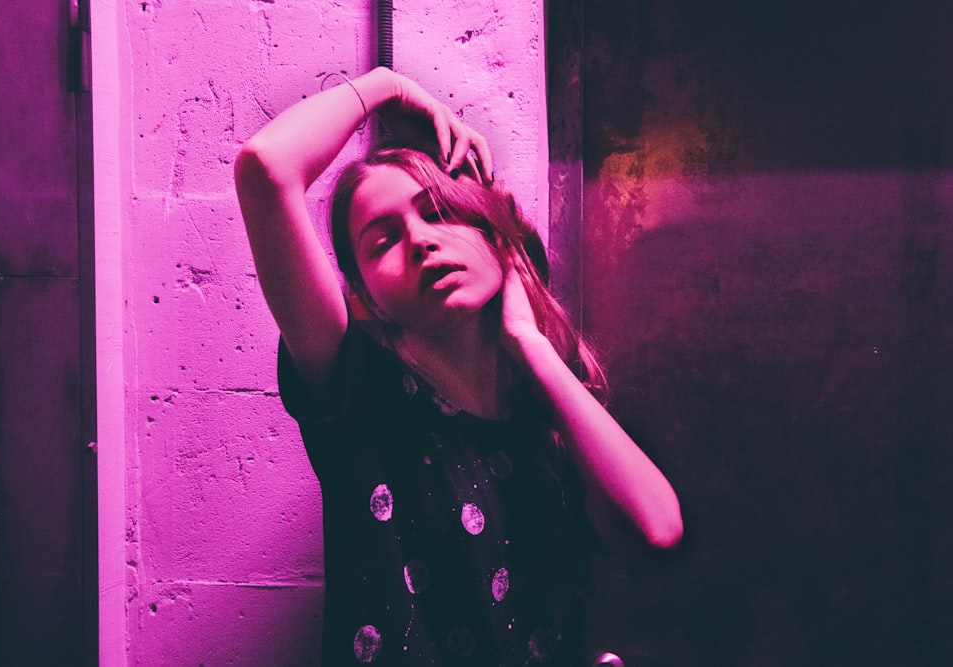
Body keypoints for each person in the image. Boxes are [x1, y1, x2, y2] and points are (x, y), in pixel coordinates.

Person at [235, 66, 682, 666]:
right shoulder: (354, 382)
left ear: (495, 237)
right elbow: (265, 169)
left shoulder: (543, 408)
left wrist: (531, 344)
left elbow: (656, 529)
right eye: (382, 240)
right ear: (366, 297)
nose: (420, 241)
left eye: (439, 213)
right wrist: (386, 86)